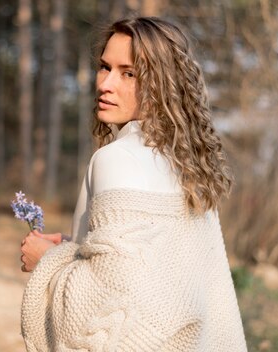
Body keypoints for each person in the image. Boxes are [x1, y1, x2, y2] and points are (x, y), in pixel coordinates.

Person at [19, 17, 247, 351]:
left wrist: (47, 259)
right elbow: (155, 277)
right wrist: (79, 247)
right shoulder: (186, 162)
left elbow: (107, 313)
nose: (105, 84)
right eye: (104, 67)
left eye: (129, 73)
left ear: (162, 83)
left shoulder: (116, 158)